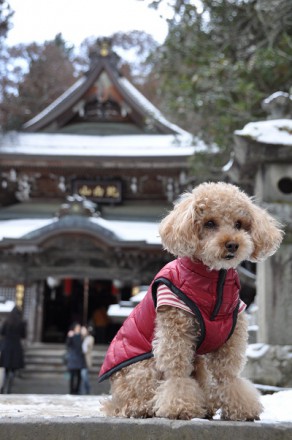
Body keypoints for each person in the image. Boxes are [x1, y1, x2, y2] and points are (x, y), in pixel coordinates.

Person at [0, 306, 26, 394]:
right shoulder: (21, 323)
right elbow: (23, 335)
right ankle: (9, 388)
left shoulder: (6, 322)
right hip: (16, 346)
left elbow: (2, 332)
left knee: (6, 369)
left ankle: (3, 387)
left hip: (6, 346)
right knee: (13, 369)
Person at [65, 322, 86, 395]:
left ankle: (77, 390)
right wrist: (69, 337)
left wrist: (84, 335)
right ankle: (72, 390)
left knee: (79, 375)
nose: (78, 329)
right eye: (77, 328)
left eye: (79, 328)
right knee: (72, 375)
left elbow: (84, 346)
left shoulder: (81, 336)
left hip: (79, 358)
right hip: (73, 358)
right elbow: (68, 345)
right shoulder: (72, 335)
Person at [80, 325, 95, 394]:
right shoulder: (83, 337)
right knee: (83, 375)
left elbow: (86, 348)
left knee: (84, 375)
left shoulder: (90, 338)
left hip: (86, 359)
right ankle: (84, 389)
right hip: (82, 359)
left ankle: (87, 389)